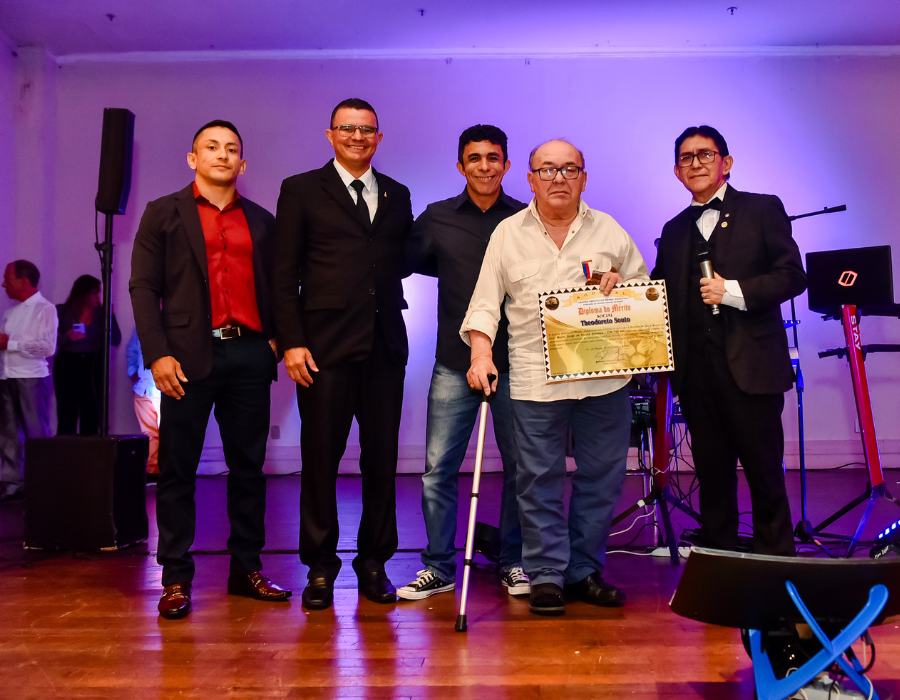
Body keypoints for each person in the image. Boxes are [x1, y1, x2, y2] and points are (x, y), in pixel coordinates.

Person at [462, 139, 649, 616]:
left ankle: (583, 571)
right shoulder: (507, 233)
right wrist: (481, 353)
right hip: (535, 382)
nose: (559, 178)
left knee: (602, 479)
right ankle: (546, 574)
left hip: (604, 382)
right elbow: (485, 303)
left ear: (584, 177)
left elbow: (643, 298)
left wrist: (621, 290)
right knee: (537, 479)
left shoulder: (610, 231)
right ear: (530, 179)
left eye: (569, 169)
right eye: (547, 169)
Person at [130, 119, 291, 620]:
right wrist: (157, 353)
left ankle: (246, 570)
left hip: (249, 356)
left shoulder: (262, 221)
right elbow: (143, 287)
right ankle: (175, 578)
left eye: (232, 149)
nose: (222, 154)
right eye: (212, 147)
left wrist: (277, 340)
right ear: (193, 158)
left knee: (249, 471)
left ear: (242, 163)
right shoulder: (163, 212)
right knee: (178, 471)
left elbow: (282, 284)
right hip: (184, 359)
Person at [273, 98, 413, 610]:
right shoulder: (301, 189)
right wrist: (292, 341)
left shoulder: (397, 193)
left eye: (367, 129)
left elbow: (402, 258)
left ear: (379, 137)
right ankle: (319, 567)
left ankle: (374, 562)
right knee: (320, 461)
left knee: (381, 462)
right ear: (330, 134)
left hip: (384, 346)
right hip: (322, 349)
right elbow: (283, 273)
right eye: (347, 128)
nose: (357, 136)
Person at [651, 125, 806, 557]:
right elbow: (659, 293)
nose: (695, 163)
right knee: (711, 471)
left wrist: (732, 291)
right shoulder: (674, 228)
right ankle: (718, 557)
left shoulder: (762, 208)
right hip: (696, 373)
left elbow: (792, 275)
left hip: (752, 366)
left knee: (764, 471)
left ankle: (776, 561)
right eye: (686, 157)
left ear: (726, 163)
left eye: (705, 154)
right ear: (677, 171)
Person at [399, 125, 529, 600]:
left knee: (522, 469)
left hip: (517, 364)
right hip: (455, 363)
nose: (484, 166)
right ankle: (439, 567)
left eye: (493, 157)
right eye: (474, 158)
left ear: (506, 165)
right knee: (438, 470)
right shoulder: (437, 217)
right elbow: (408, 262)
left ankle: (514, 563)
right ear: (460, 166)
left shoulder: (527, 217)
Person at [0, 261, 57, 501]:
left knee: (36, 433)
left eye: (7, 279)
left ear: (23, 280)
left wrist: (10, 344)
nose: (3, 284)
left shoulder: (46, 309)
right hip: (6, 376)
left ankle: (42, 483)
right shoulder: (9, 313)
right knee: (8, 433)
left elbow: (47, 348)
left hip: (32, 377)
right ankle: (13, 482)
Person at [54, 274, 121, 435]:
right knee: (67, 412)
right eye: (94, 293)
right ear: (82, 294)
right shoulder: (62, 311)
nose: (98, 297)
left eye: (99, 292)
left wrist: (110, 316)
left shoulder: (102, 313)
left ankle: (89, 449)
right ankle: (65, 448)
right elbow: (49, 340)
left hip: (93, 365)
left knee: (91, 413)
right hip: (67, 365)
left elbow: (116, 340)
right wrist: (67, 337)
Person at [126, 327, 161, 480]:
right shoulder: (141, 326)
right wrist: (133, 372)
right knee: (150, 433)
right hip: (144, 389)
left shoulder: (175, 324)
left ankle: (166, 472)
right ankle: (153, 471)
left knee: (168, 433)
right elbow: (132, 350)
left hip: (163, 389)